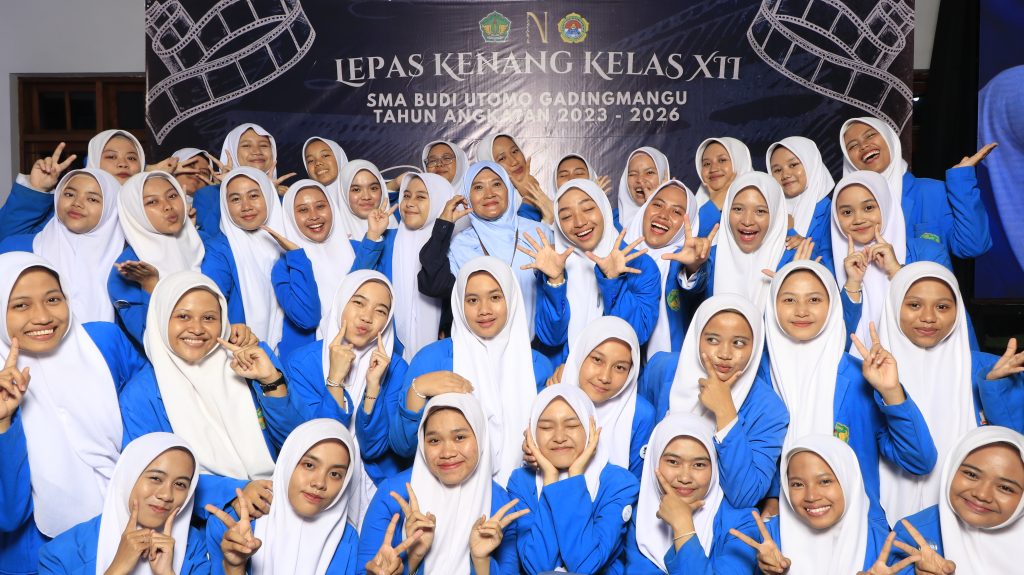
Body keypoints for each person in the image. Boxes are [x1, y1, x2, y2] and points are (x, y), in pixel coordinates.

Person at [0, 253, 146, 573]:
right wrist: (3, 421)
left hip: (135, 527)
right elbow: (8, 516)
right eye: (21, 305)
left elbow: (155, 424)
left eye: (53, 299)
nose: (42, 317)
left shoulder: (104, 342)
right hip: (37, 556)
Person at [766, 260, 937, 528]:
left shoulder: (862, 375)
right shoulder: (757, 377)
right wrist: (772, 497)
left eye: (814, 299)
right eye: (789, 299)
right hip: (781, 530)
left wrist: (891, 391)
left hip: (859, 527)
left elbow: (919, 461)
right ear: (772, 305)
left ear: (833, 304)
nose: (801, 311)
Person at [118, 271, 304, 516]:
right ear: (161, 318)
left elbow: (299, 444)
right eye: (183, 316)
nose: (196, 329)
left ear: (223, 321)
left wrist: (270, 380)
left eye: (209, 318)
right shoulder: (140, 395)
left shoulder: (251, 358)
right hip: (211, 517)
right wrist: (233, 493)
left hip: (285, 495)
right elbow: (148, 475)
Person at [876, 262, 1024, 524]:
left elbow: (1014, 448)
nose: (929, 317)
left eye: (943, 307)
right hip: (887, 513)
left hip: (975, 513)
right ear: (893, 305)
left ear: (958, 311)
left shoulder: (990, 368)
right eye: (914, 305)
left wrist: (995, 388)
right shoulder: (870, 372)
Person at [390, 257, 550, 485]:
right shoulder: (432, 359)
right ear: (459, 302)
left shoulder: (538, 366)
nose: (484, 310)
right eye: (472, 300)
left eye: (495, 297)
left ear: (511, 298)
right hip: (449, 490)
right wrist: (418, 390)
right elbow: (403, 447)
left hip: (524, 490)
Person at [640, 294, 789, 509]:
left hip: (717, 519)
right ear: (697, 335)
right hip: (651, 506)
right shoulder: (662, 368)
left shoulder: (769, 409)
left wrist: (726, 414)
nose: (724, 354)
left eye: (739, 343)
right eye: (712, 340)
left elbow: (745, 496)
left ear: (756, 346)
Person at [358, 393, 528, 575]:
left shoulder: (502, 506)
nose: (447, 453)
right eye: (434, 440)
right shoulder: (392, 494)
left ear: (480, 437)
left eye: (460, 437)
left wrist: (481, 561)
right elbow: (365, 570)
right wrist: (413, 557)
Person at [284, 271, 409, 484]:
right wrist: (335, 379)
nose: (367, 317)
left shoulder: (396, 368)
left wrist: (373, 386)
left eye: (380, 311)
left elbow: (373, 448)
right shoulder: (302, 362)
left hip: (374, 482)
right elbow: (318, 442)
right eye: (358, 303)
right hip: (318, 479)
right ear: (341, 302)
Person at [509, 383, 639, 575]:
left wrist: (575, 475)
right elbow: (537, 566)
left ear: (590, 428)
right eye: (546, 427)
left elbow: (585, 565)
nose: (559, 437)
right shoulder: (521, 482)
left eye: (571, 425)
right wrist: (550, 479)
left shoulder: (620, 484)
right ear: (532, 434)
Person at [205, 419, 364, 575]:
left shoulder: (347, 541)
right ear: (288, 462)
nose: (319, 483)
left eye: (335, 474)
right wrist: (235, 568)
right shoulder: (230, 527)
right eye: (309, 465)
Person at [527, 178, 660, 363]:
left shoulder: (640, 264)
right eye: (566, 216)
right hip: (562, 372)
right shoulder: (553, 265)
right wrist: (555, 280)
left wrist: (613, 281)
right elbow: (550, 338)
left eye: (588, 209)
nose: (580, 222)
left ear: (603, 208)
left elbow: (636, 334)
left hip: (611, 374)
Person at [38, 432, 206, 574]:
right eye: (156, 478)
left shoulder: (194, 548)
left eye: (180, 484)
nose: (166, 495)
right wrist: (118, 568)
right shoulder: (61, 554)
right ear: (127, 477)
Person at [729, 435, 889, 574]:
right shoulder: (760, 539)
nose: (811, 497)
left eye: (824, 481)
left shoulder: (884, 545)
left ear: (849, 482)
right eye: (797, 484)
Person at [831, 171, 952, 354]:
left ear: (886, 205)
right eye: (847, 212)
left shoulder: (929, 252)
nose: (858, 219)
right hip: (857, 364)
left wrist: (896, 271)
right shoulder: (828, 264)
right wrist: (852, 284)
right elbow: (832, 338)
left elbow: (939, 317)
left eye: (869, 208)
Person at [202, 167, 320, 355]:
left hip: (292, 357)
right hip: (240, 355)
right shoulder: (219, 250)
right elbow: (208, 309)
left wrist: (295, 255)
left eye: (254, 196)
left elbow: (308, 318)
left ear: (269, 196)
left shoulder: (294, 240)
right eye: (235, 199)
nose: (246, 206)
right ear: (225, 204)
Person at [840, 116, 993, 260]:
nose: (863, 146)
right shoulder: (843, 207)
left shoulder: (933, 192)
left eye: (870, 135)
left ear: (889, 138)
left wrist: (961, 181)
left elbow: (973, 247)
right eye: (852, 145)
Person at [626, 413, 760, 574]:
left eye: (699, 465)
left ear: (714, 467)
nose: (684, 478)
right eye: (673, 462)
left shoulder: (743, 523)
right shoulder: (640, 516)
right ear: (654, 460)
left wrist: (683, 526)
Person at [889, 426, 1024, 575]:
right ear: (951, 469)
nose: (982, 494)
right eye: (971, 475)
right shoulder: (913, 534)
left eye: (1005, 488)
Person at [352, 173, 455, 361]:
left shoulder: (455, 244)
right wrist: (373, 236)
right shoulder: (386, 239)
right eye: (406, 196)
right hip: (387, 353)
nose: (409, 203)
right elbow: (354, 286)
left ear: (441, 202)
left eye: (421, 197)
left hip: (443, 354)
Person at [0, 168, 124, 323]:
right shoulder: (16, 248)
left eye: (92, 199)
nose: (77, 203)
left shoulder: (129, 260)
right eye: (69, 194)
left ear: (111, 208)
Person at [443, 162, 549, 336]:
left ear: (509, 189)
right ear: (467, 197)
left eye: (497, 184)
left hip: (534, 343)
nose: (489, 194)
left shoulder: (539, 233)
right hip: (479, 343)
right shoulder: (459, 244)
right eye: (478, 187)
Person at [543, 317, 655, 479]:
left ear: (631, 371)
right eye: (597, 360)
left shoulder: (641, 414)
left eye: (619, 367)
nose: (605, 377)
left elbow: (636, 482)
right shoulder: (550, 399)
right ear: (580, 354)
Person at [676, 172, 801, 311]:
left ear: (776, 215)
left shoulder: (796, 259)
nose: (747, 221)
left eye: (760, 211)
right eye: (738, 209)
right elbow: (690, 299)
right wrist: (692, 268)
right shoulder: (709, 256)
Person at [108, 171, 206, 345]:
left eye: (172, 196)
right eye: (152, 202)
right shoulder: (128, 268)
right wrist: (150, 286)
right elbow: (148, 338)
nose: (168, 206)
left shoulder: (206, 246)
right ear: (134, 210)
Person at [623, 180, 710, 359]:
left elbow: (694, 287)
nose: (663, 215)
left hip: (668, 367)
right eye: (657, 205)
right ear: (645, 208)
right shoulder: (618, 254)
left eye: (677, 211)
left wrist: (693, 266)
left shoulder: (681, 260)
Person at [279, 178, 356, 338]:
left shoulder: (360, 249)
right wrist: (298, 257)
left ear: (332, 207)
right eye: (303, 210)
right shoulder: (283, 267)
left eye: (320, 206)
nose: (313, 216)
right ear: (289, 217)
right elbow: (308, 319)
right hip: (316, 351)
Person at [193, 123, 293, 234]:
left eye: (263, 145)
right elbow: (205, 236)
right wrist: (226, 189)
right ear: (231, 150)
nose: (257, 151)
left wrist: (272, 195)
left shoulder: (287, 196)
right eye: (246, 146)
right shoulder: (207, 195)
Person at [766, 136, 837, 272]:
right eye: (777, 170)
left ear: (811, 164)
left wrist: (794, 235)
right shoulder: (767, 212)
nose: (785, 174)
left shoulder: (833, 212)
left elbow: (832, 272)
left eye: (793, 165)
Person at [475, 132, 552, 224]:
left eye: (515, 151)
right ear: (490, 166)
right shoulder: (491, 203)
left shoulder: (542, 193)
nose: (514, 161)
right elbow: (521, 232)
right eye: (502, 158)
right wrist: (529, 197)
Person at [693, 138, 753, 237]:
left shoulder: (764, 203)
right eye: (707, 164)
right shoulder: (692, 206)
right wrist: (714, 204)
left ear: (739, 162)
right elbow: (689, 239)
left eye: (722, 160)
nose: (713, 169)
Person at [616, 146, 670, 229]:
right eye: (632, 174)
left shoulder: (676, 221)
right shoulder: (610, 221)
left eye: (649, 172)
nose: (640, 180)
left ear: (663, 175)